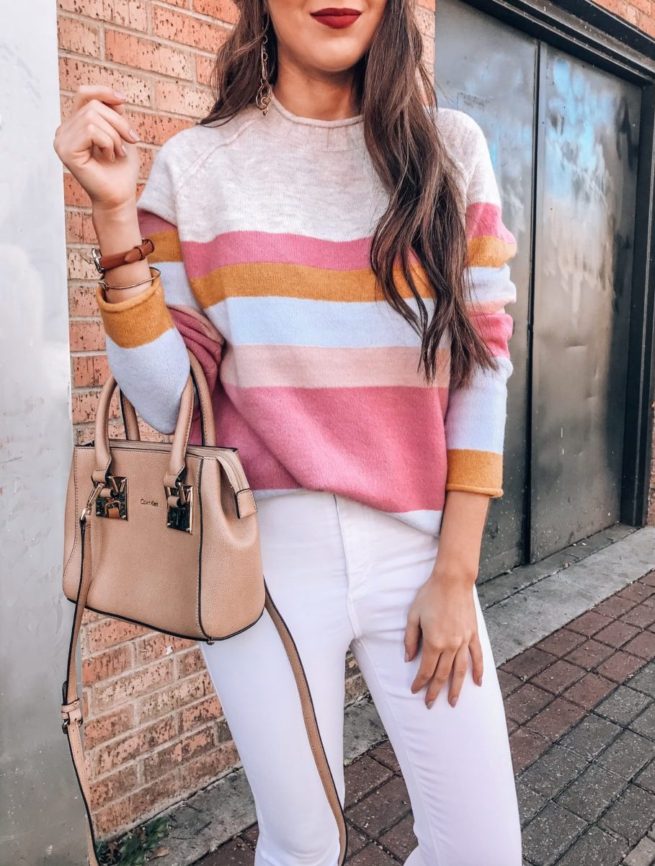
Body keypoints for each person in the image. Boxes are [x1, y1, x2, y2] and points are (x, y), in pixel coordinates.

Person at [53, 1, 523, 863]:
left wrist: (457, 571)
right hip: (260, 566)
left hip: (422, 552)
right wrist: (116, 221)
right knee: (300, 846)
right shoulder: (200, 167)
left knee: (480, 849)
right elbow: (169, 399)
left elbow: (481, 370)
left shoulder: (449, 150)